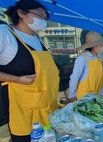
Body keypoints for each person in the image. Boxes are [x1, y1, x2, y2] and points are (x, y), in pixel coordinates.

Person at [0, 0, 59, 141]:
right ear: (21, 13)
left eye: (45, 18)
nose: (43, 21)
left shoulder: (37, 38)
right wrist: (17, 79)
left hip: (47, 104)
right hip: (24, 107)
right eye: (39, 15)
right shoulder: (5, 34)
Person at [68, 31, 103, 101]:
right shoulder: (82, 59)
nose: (102, 47)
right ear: (93, 46)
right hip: (85, 96)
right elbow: (74, 78)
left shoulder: (99, 57)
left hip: (98, 94)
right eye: (101, 45)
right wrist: (71, 95)